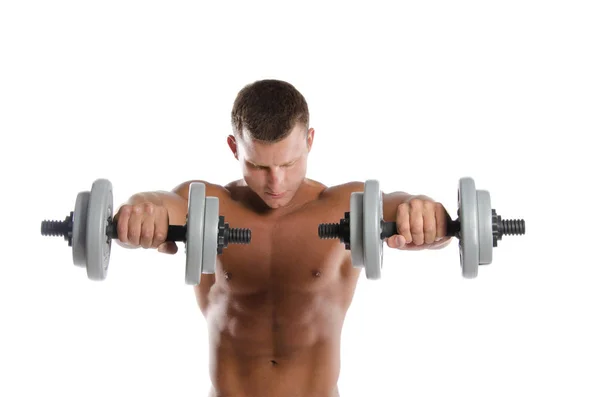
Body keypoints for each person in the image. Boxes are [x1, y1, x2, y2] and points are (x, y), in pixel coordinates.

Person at [114, 79, 453, 397]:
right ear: (234, 148)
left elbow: (418, 215)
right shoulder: (207, 205)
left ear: (310, 141)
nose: (276, 183)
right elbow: (162, 206)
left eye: (289, 164)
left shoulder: (348, 206)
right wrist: (141, 210)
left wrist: (423, 214)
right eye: (258, 167)